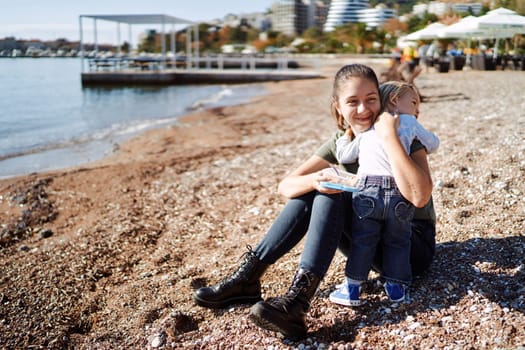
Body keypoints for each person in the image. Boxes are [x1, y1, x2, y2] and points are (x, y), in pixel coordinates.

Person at [192, 64, 436, 340]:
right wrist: (316, 179)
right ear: (338, 107)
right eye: (352, 102)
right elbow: (286, 185)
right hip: (370, 238)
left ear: (381, 99)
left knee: (329, 194)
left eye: (371, 99)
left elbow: (419, 196)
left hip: (409, 247)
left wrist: (389, 137)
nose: (363, 109)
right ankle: (250, 278)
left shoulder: (404, 131)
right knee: (318, 187)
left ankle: (295, 301)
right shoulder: (341, 143)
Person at [329, 81, 439, 306]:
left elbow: (346, 155)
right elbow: (433, 143)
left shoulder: (368, 126)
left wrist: (347, 135)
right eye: (414, 102)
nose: (418, 110)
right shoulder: (409, 122)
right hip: (399, 191)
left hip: (368, 189)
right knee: (397, 241)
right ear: (396, 100)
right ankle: (396, 288)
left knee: (363, 241)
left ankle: (352, 289)